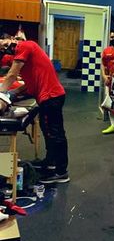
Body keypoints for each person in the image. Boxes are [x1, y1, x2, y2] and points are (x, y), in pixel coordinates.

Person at [0, 36, 70, 184]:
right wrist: (14, 93)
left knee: (55, 134)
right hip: (49, 97)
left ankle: (61, 172)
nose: (6, 47)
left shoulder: (25, 46)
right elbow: (30, 81)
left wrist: (2, 95)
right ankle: (50, 162)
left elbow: (12, 75)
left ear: (12, 38)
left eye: (4, 43)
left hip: (51, 97)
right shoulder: (21, 54)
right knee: (48, 132)